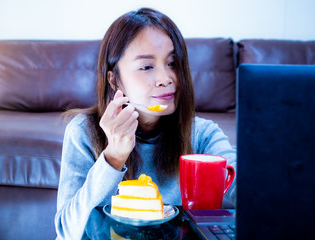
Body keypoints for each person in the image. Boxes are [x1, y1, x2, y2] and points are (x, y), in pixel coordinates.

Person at [54, 7, 236, 239]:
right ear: (114, 79)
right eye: (146, 67)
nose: (166, 79)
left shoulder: (201, 134)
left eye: (172, 63)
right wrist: (112, 158)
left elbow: (246, 191)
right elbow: (66, 232)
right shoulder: (84, 132)